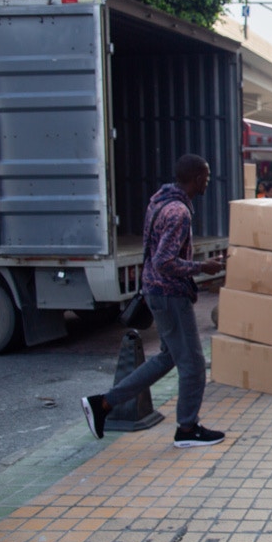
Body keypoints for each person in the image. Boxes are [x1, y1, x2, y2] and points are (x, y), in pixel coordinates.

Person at [81, 154, 226, 447]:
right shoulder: (179, 213)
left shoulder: (159, 201)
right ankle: (187, 430)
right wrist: (202, 267)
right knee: (194, 365)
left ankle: (103, 404)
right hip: (170, 294)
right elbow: (163, 261)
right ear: (197, 178)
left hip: (156, 292)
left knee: (168, 357)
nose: (208, 181)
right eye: (206, 176)